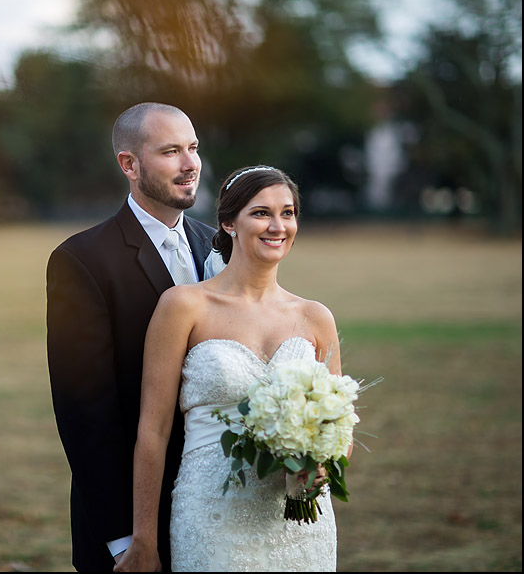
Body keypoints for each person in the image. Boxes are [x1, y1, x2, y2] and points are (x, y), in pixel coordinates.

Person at [115, 165, 342, 572]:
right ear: (228, 223)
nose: (278, 226)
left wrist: (316, 465)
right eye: (261, 213)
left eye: (288, 213)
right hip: (211, 517)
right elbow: (153, 431)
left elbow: (339, 432)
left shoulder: (315, 317)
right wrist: (144, 539)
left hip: (301, 527)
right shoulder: (183, 307)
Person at [46, 102, 217, 571]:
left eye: (193, 147)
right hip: (132, 522)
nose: (190, 164)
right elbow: (85, 412)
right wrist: (124, 539)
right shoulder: (82, 261)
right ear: (130, 164)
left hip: (216, 511)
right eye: (171, 151)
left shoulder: (219, 247)